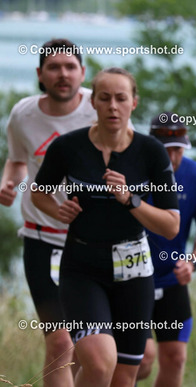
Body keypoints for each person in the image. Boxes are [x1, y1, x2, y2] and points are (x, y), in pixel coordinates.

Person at [31, 67, 180, 387]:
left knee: (123, 376)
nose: (113, 106)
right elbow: (37, 194)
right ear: (93, 104)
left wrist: (131, 200)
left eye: (121, 98)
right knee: (99, 363)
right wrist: (59, 210)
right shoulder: (68, 147)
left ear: (134, 104)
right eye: (105, 98)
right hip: (82, 267)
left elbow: (171, 226)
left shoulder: (151, 151)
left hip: (135, 272)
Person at [0, 38, 95, 387]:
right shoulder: (23, 114)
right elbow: (16, 160)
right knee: (59, 341)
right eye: (54, 67)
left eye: (70, 67)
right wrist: (8, 184)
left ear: (82, 73)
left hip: (94, 241)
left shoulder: (100, 108)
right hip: (42, 239)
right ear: (40, 74)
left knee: (98, 349)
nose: (63, 74)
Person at [137, 112, 196, 386]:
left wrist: (193, 263)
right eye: (165, 151)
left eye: (178, 150)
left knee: (175, 358)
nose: (172, 159)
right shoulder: (133, 173)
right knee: (142, 360)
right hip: (131, 279)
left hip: (171, 280)